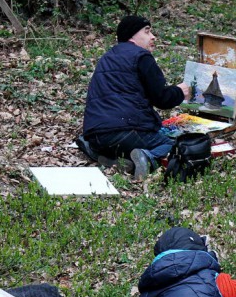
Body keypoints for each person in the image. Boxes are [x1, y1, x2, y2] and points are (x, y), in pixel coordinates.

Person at [81, 15, 192, 180]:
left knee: (120, 142)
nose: (153, 37)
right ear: (131, 36)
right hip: (126, 131)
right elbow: (161, 99)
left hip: (94, 134)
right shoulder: (141, 57)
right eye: (147, 31)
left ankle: (115, 160)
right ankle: (147, 157)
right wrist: (179, 92)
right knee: (174, 145)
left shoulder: (107, 57)